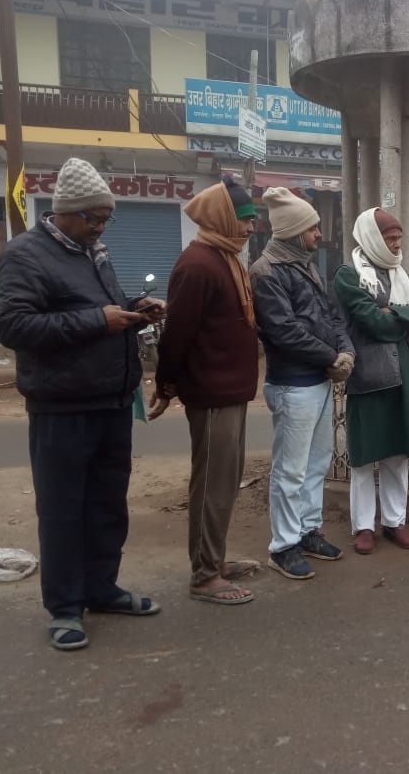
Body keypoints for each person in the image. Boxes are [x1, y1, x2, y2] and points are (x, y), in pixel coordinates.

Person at [0, 157, 165, 651]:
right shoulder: (25, 255)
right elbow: (13, 327)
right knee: (63, 509)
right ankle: (65, 607)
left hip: (112, 400)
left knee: (108, 505)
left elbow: (100, 310)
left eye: (106, 218)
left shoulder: (96, 252)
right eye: (93, 217)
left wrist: (134, 308)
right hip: (62, 407)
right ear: (65, 212)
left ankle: (102, 588)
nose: (101, 226)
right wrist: (99, 322)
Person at [148, 176, 260, 605]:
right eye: (244, 219)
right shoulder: (198, 264)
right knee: (211, 486)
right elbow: (177, 335)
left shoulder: (225, 257)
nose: (251, 228)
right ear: (222, 218)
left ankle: (213, 559)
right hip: (211, 392)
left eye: (253, 220)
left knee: (226, 482)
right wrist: (166, 384)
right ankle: (204, 575)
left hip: (231, 390)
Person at [249, 187, 354, 580]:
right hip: (293, 384)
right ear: (293, 231)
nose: (318, 235)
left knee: (316, 464)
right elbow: (283, 331)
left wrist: (345, 352)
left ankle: (307, 530)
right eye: (312, 228)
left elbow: (330, 316)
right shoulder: (266, 272)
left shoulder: (305, 265)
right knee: (290, 470)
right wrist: (332, 358)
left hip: (320, 380)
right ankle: (283, 545)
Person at [333, 207, 409, 556]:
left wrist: (397, 314)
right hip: (369, 375)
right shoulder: (349, 276)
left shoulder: (400, 273)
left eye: (397, 238)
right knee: (364, 456)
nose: (395, 244)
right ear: (372, 238)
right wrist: (403, 315)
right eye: (389, 238)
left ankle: (394, 521)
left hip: (403, 374)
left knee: (397, 454)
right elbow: (373, 322)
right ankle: (363, 526)